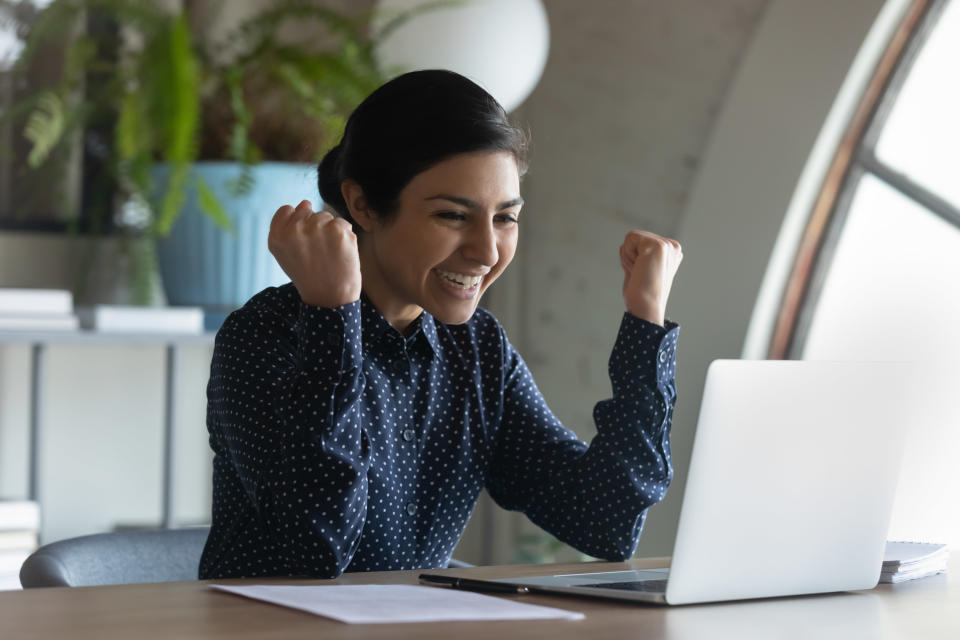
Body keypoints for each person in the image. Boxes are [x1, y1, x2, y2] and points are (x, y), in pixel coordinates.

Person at [199, 69, 683, 580]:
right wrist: (331, 317)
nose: (487, 251)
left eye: (505, 218)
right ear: (362, 205)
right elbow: (314, 552)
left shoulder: (476, 348)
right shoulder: (264, 336)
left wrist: (644, 317)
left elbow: (602, 522)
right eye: (453, 216)